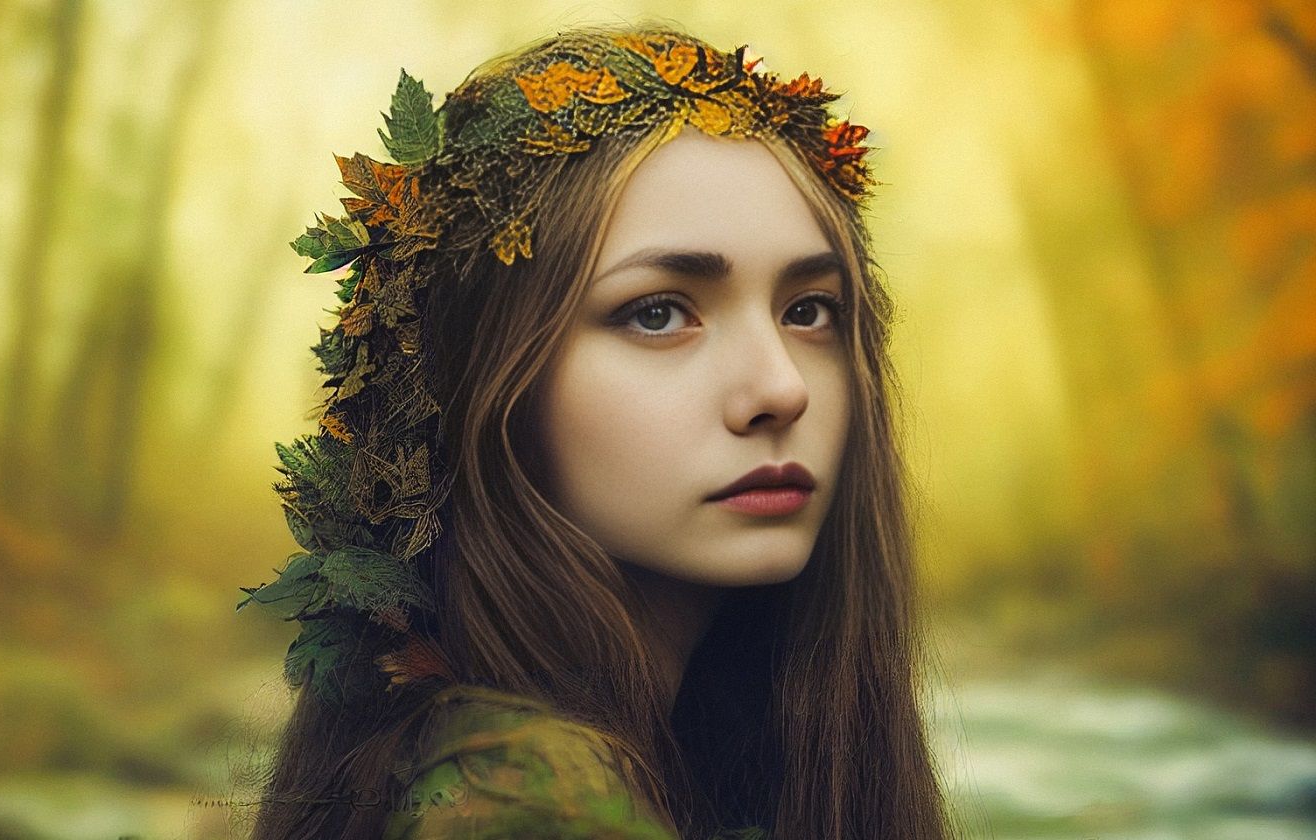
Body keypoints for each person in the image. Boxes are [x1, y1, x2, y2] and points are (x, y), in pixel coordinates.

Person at [237, 22, 955, 840]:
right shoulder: (524, 803)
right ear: (478, 384)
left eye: (808, 311)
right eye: (658, 313)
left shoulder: (682, 750)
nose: (781, 388)